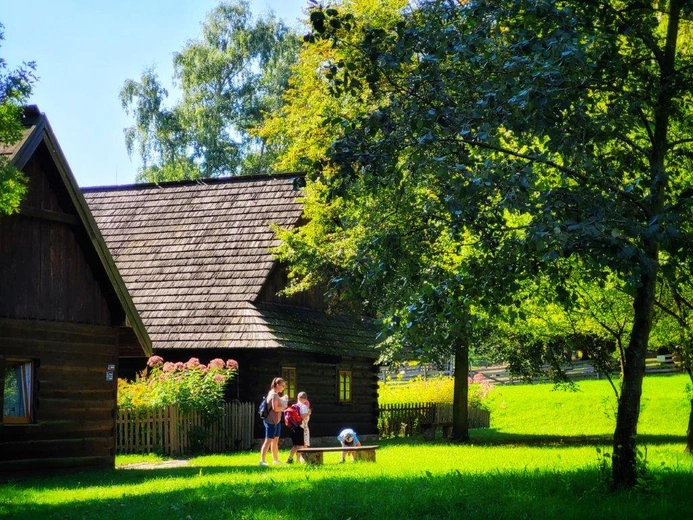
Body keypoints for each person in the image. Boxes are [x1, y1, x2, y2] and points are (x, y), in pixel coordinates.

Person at [259, 377, 288, 466]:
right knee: (268, 440)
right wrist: (284, 407)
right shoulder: (274, 394)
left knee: (275, 440)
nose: (283, 388)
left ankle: (275, 460)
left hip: (276, 421)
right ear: (277, 385)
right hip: (270, 421)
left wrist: (283, 399)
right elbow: (275, 408)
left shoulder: (274, 394)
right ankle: (262, 461)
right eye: (282, 386)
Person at [286, 391, 311, 464]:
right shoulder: (303, 406)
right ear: (305, 399)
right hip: (302, 427)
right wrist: (308, 413)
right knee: (302, 445)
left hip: (294, 427)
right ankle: (302, 460)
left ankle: (295, 460)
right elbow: (303, 417)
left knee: (297, 445)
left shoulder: (294, 405)